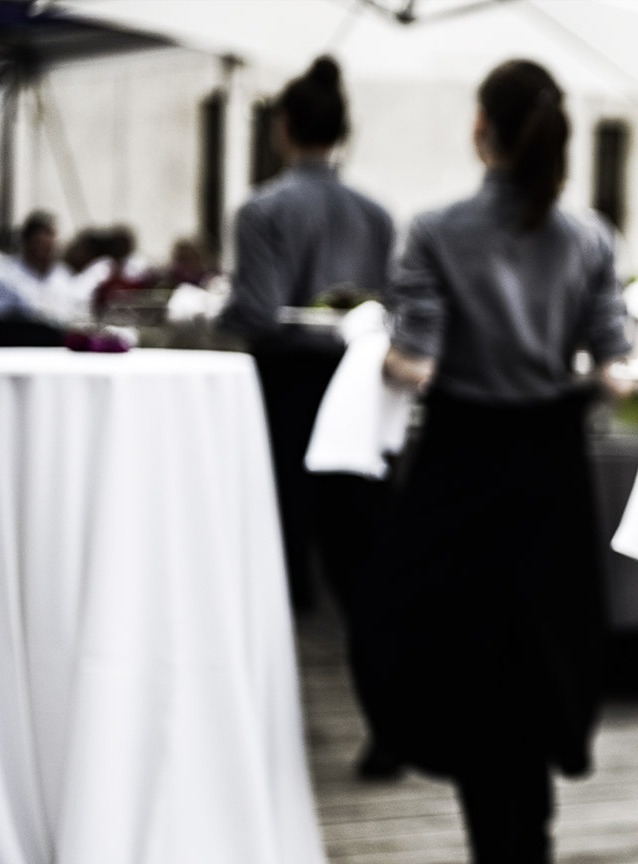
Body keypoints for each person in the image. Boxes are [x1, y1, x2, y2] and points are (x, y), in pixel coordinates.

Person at [353, 59, 631, 864]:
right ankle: (531, 840)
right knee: (540, 656)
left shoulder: (435, 230)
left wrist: (377, 355)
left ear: (482, 129)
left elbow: (417, 363)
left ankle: (495, 843)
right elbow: (614, 369)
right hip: (551, 472)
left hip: (461, 471)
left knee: (466, 667)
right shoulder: (589, 236)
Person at [217, 56, 395, 617]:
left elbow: (261, 315)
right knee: (352, 528)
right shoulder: (377, 214)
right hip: (357, 384)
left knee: (283, 518)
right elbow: (384, 306)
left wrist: (218, 316)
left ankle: (287, 626)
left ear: (282, 127)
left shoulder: (261, 210)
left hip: (287, 382)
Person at [0, 210, 82, 322]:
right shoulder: (5, 275)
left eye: (49, 243)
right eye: (39, 243)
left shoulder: (63, 275)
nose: (45, 249)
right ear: (27, 242)